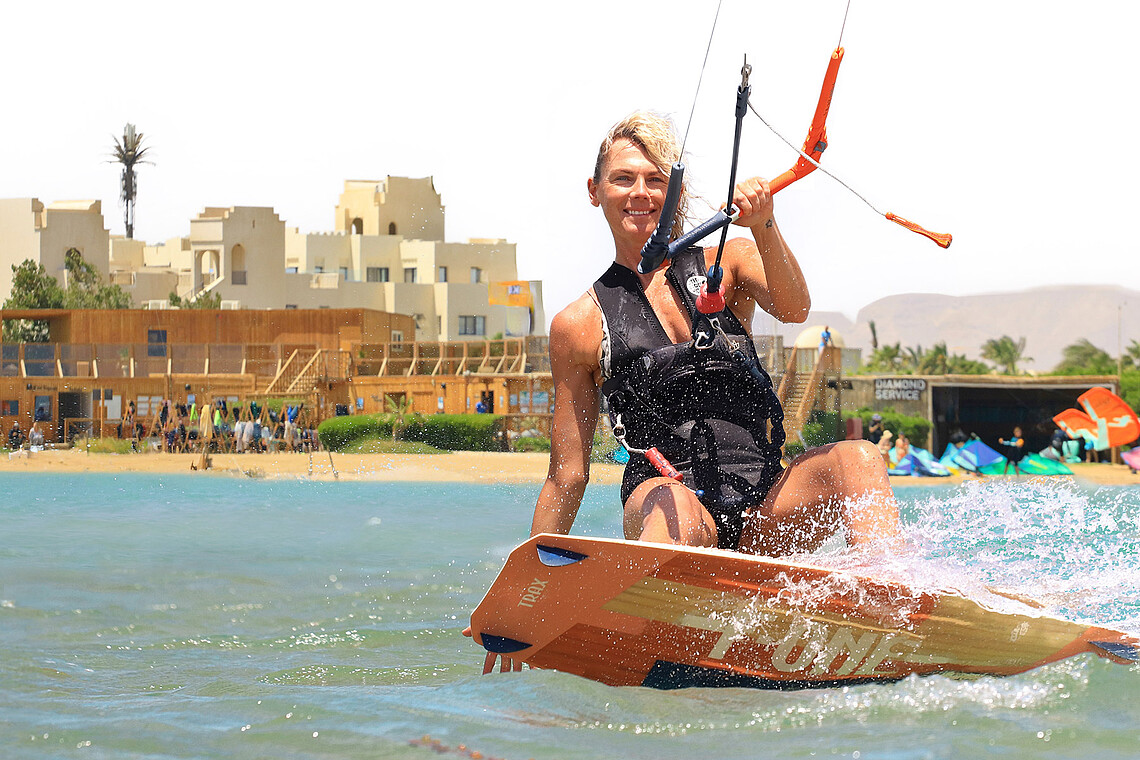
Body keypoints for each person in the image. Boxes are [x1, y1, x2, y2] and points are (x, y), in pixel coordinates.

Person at [532, 111, 901, 556]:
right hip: (666, 500)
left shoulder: (727, 263)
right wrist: (523, 588)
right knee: (675, 507)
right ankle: (660, 603)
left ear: (677, 191)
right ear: (595, 191)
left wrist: (764, 224)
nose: (640, 193)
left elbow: (794, 307)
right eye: (623, 178)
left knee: (858, 459)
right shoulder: (580, 324)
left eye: (655, 180)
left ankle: (894, 596)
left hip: (764, 502)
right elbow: (567, 474)